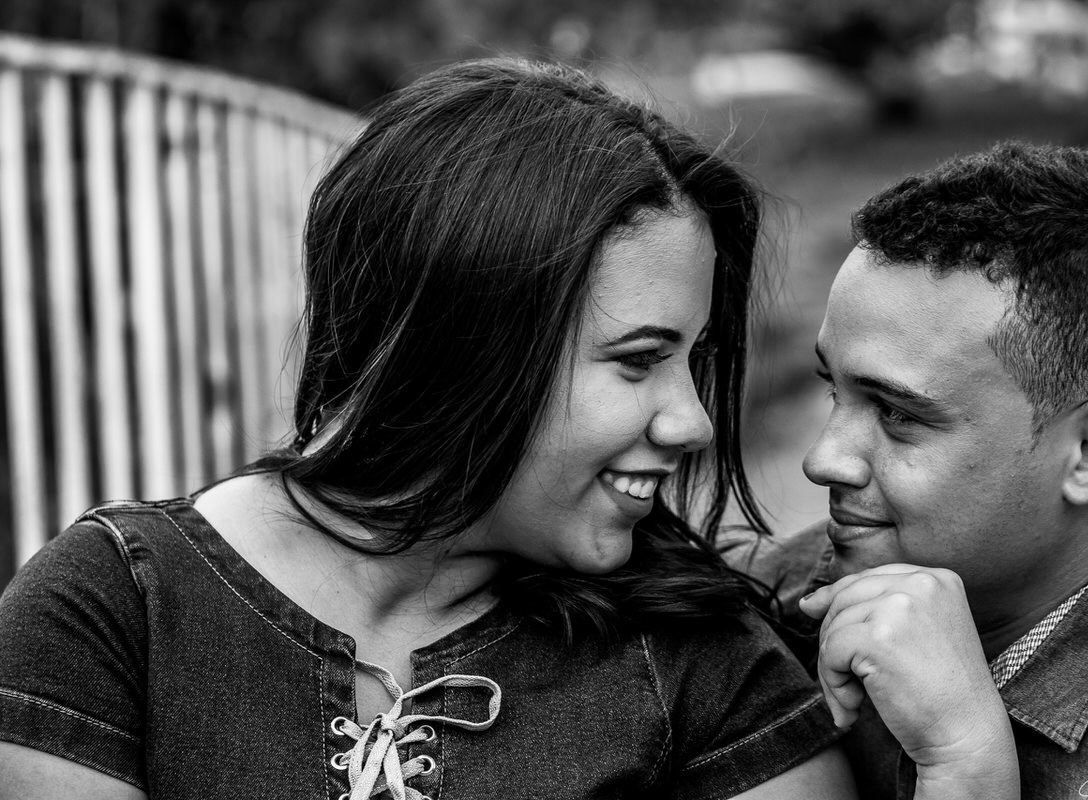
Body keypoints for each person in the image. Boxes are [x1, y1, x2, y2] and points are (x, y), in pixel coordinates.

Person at [0, 59, 1019, 800]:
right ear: (465, 344)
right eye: (637, 359)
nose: (695, 419)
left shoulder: (700, 660)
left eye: (693, 358)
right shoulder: (113, 614)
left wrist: (967, 771)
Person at [742, 141, 1088, 799]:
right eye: (833, 390)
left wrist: (966, 770)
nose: (822, 460)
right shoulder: (758, 612)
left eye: (897, 413)